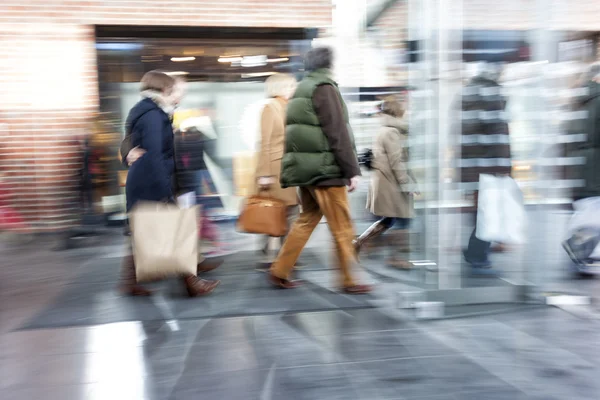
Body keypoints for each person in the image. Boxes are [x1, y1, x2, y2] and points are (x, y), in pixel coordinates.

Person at [267, 47, 372, 294]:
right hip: (326, 170)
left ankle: (280, 270)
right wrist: (351, 170)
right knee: (342, 226)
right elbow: (337, 132)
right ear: (329, 64)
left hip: (308, 170)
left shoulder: (302, 89)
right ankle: (350, 279)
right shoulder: (324, 88)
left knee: (307, 219)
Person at [119, 70, 220, 297]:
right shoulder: (154, 115)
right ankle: (191, 283)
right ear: (164, 89)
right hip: (152, 180)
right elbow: (155, 154)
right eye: (174, 90)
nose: (177, 94)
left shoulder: (148, 110)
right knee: (173, 231)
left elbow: (135, 142)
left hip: (147, 179)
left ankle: (130, 282)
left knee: (142, 231)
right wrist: (165, 189)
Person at [353, 96, 417, 269]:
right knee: (402, 221)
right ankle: (396, 258)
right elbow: (397, 162)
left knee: (389, 220)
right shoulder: (391, 132)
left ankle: (361, 243)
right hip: (391, 183)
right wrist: (407, 184)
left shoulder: (388, 130)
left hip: (388, 182)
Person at [459, 62, 511, 272]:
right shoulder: (491, 94)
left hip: (474, 165)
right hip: (489, 165)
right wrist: (503, 167)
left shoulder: (469, 94)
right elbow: (498, 136)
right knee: (489, 212)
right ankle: (476, 253)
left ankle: (478, 251)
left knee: (484, 210)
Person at [253, 73, 299, 265]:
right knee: (278, 210)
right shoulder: (270, 108)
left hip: (288, 167)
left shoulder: (287, 107)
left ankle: (280, 253)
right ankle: (280, 254)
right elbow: (265, 143)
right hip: (275, 169)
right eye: (290, 86)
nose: (294, 89)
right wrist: (264, 173)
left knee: (287, 211)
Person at [562, 63, 600, 264]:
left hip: (579, 168)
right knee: (594, 214)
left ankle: (583, 250)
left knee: (589, 212)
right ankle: (577, 245)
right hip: (595, 168)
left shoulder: (576, 101)